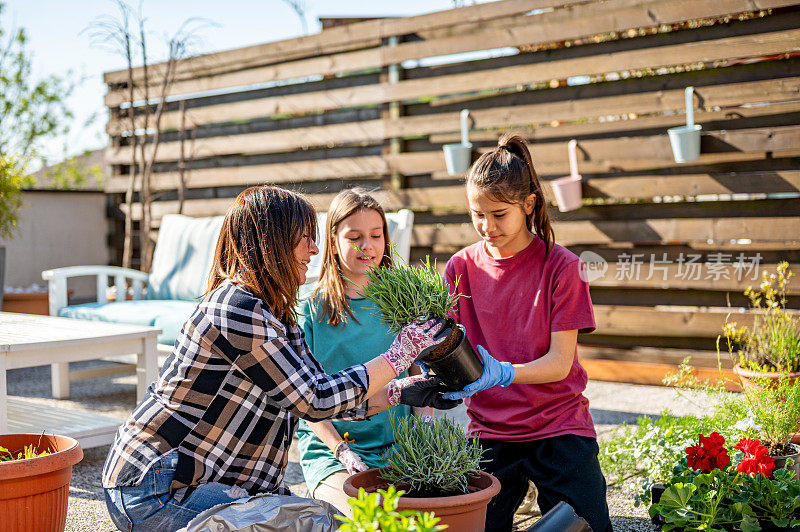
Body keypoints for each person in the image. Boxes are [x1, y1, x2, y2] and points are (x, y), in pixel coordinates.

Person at [101, 185, 453, 532]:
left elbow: (318, 393)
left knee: (323, 521)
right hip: (157, 490)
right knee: (324, 525)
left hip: (200, 483)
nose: (314, 250)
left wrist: (400, 392)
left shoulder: (275, 313)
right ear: (272, 243)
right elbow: (314, 400)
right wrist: (399, 355)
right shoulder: (237, 309)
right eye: (304, 238)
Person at [440, 134, 613, 532]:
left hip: (558, 425)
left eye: (498, 214)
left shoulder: (562, 267)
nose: (486, 226)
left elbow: (559, 364)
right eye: (476, 214)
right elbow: (448, 344)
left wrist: (503, 372)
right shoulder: (459, 268)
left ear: (529, 204)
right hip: (490, 430)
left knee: (586, 526)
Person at [295, 188, 459, 516]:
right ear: (333, 239)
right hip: (334, 451)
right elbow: (304, 400)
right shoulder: (310, 309)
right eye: (354, 236)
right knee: (365, 519)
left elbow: (419, 376)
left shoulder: (401, 301)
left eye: (375, 234)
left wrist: (423, 433)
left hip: (397, 447)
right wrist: (340, 450)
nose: (367, 246)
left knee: (440, 511)